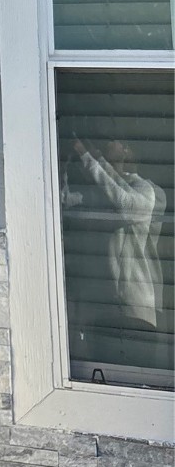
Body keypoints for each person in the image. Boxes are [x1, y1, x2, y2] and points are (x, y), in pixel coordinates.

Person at [69, 137, 167, 333]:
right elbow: (72, 200)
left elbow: (124, 203)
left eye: (115, 140)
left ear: (127, 150)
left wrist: (88, 158)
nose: (108, 142)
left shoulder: (149, 191)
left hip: (134, 304)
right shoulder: (105, 190)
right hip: (103, 303)